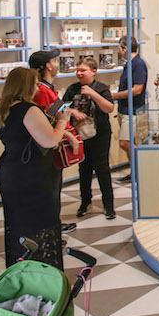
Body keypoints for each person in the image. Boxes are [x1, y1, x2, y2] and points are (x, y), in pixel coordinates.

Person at [0, 68, 79, 270]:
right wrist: (62, 121)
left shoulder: (4, 109)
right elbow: (49, 140)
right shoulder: (29, 110)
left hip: (10, 172)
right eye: (34, 84)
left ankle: (20, 268)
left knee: (17, 224)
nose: (36, 88)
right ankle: (43, 270)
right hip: (30, 176)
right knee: (41, 222)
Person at [28, 48, 76, 234]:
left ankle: (53, 224)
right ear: (47, 66)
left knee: (54, 187)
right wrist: (68, 135)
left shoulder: (49, 88)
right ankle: (50, 228)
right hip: (46, 148)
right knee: (49, 188)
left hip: (53, 145)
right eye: (54, 61)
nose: (57, 64)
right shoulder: (41, 91)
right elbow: (47, 122)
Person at [64, 58, 116, 220]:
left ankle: (108, 205)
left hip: (100, 134)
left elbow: (109, 108)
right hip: (79, 134)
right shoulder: (72, 89)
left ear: (94, 71)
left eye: (83, 70)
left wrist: (93, 94)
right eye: (78, 70)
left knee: (102, 168)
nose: (79, 73)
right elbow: (60, 106)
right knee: (84, 168)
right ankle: (85, 201)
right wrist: (72, 111)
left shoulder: (101, 88)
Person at [114, 36, 147, 183]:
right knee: (131, 141)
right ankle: (135, 172)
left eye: (119, 49)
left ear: (125, 48)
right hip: (125, 108)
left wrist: (115, 95)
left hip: (132, 109)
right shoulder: (129, 64)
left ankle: (141, 170)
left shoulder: (138, 64)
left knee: (125, 143)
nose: (119, 52)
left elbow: (137, 89)